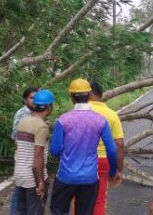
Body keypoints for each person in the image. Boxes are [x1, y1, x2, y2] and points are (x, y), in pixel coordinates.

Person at [50, 78, 120, 215]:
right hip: (89, 178)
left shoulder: (63, 120)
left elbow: (55, 150)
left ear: (71, 97)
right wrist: (113, 171)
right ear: (89, 95)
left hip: (65, 176)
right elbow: (111, 149)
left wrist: (68, 154)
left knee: (58, 211)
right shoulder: (100, 120)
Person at [13, 90, 54, 215]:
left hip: (19, 174)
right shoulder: (41, 127)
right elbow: (38, 156)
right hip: (33, 178)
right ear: (49, 107)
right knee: (35, 211)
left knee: (20, 211)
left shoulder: (23, 122)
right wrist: (40, 183)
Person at [88, 81, 124, 215]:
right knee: (99, 200)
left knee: (79, 198)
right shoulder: (111, 114)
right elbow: (119, 145)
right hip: (103, 161)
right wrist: (119, 169)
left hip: (82, 160)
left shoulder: (77, 113)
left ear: (89, 93)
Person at [10, 87, 38, 214]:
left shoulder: (34, 113)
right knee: (20, 190)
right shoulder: (23, 113)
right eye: (31, 98)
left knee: (25, 191)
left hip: (31, 157)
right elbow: (15, 134)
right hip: (24, 157)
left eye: (36, 98)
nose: (34, 101)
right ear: (24, 100)